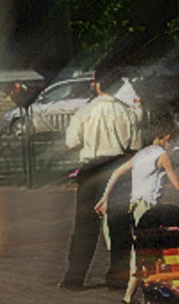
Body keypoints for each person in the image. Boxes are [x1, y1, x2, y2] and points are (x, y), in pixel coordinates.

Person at [95, 116, 179, 304]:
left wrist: (104, 198)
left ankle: (133, 297)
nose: (173, 146)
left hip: (134, 208)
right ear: (167, 137)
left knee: (139, 251)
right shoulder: (163, 156)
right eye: (173, 141)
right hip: (149, 210)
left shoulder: (141, 154)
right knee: (147, 253)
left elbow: (116, 172)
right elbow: (178, 185)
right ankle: (132, 297)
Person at [60, 67, 141, 290]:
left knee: (84, 225)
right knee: (119, 225)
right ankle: (118, 277)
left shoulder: (84, 112)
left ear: (98, 85)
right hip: (117, 168)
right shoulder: (127, 113)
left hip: (91, 169)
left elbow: (71, 143)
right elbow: (134, 146)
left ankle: (74, 278)